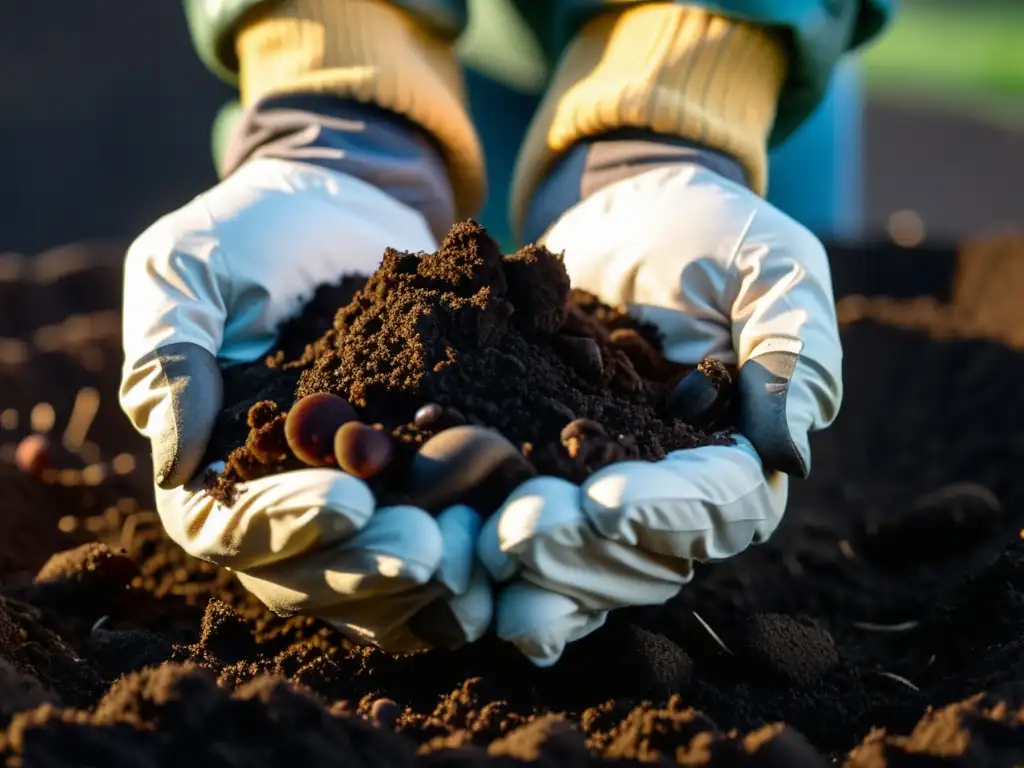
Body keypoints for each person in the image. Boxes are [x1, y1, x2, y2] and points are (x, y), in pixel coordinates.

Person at [120, 0, 893, 665]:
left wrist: (681, 107)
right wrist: (335, 109)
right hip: (425, 51)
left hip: (738, 42)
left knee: (731, 332)